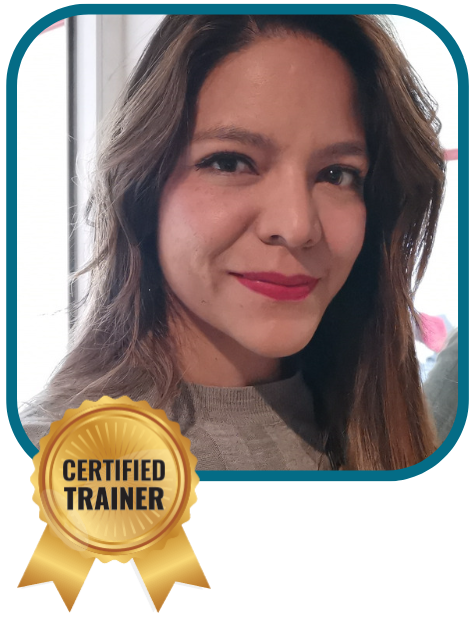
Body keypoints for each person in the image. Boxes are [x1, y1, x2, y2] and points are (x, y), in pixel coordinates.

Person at [21, 15, 446, 470]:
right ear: (143, 188)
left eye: (336, 174)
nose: (297, 226)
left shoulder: (387, 430)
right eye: (230, 163)